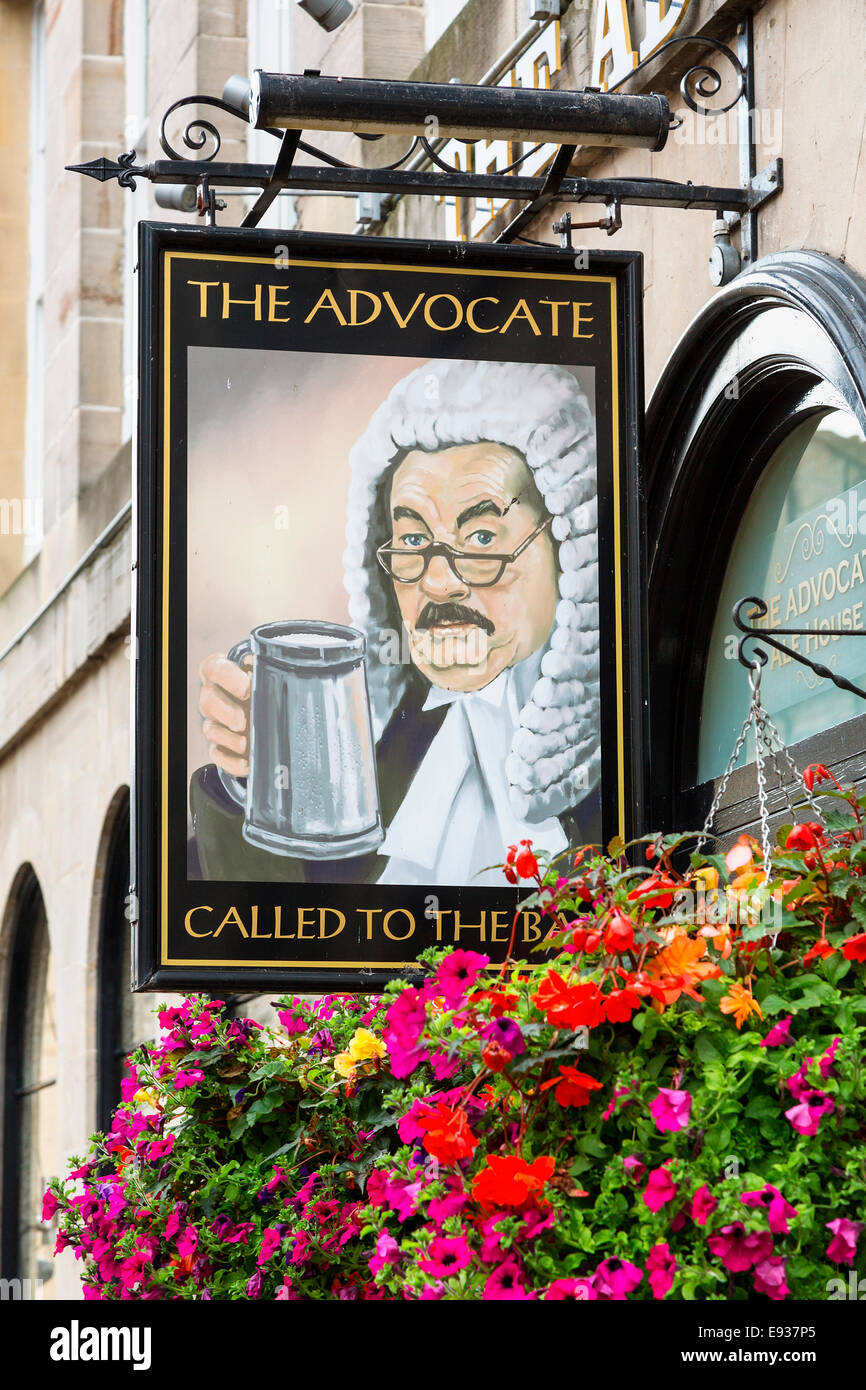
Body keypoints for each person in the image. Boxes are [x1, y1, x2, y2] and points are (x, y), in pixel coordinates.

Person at [189, 358, 601, 884]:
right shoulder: (379, 773)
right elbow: (280, 935)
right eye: (412, 540)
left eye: (481, 539)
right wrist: (251, 779)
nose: (438, 583)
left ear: (570, 546)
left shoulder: (619, 772)